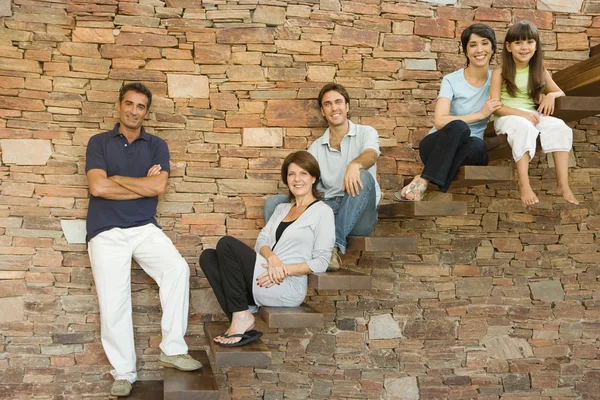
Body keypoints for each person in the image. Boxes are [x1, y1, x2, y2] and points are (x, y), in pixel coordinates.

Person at [85, 83, 201, 398]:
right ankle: (123, 373)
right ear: (119, 106)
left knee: (177, 270)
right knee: (114, 303)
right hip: (105, 230)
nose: (134, 110)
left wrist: (119, 179)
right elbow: (98, 188)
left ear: (146, 112)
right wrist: (141, 184)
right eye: (129, 104)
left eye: (140, 106)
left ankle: (173, 349)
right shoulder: (98, 143)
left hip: (143, 227)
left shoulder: (156, 145)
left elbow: (158, 187)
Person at [199, 151, 334, 346]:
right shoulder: (282, 209)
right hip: (265, 274)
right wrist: (272, 260)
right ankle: (242, 314)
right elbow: (261, 241)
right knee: (208, 257)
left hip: (287, 286)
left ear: (313, 177)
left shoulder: (323, 212)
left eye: (303, 173)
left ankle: (240, 319)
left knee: (226, 244)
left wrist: (282, 270)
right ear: (286, 179)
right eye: (291, 174)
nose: (297, 179)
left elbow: (321, 262)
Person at [263, 83, 380, 270]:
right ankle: (282, 252)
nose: (334, 108)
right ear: (323, 112)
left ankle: (331, 247)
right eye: (328, 104)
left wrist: (354, 165)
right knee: (273, 203)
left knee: (364, 177)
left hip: (360, 212)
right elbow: (306, 183)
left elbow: (371, 155)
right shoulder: (316, 148)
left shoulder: (366, 132)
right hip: (328, 209)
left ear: (347, 106)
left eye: (338, 102)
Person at [397, 23, 501, 201]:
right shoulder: (451, 80)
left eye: (484, 43)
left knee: (479, 146)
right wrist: (480, 114)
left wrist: (550, 95)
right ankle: (426, 179)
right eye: (473, 45)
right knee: (459, 126)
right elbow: (440, 121)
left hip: (467, 150)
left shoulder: (497, 80)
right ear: (466, 51)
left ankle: (424, 179)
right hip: (436, 144)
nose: (479, 50)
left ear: (493, 48)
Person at [490, 20, 578, 205]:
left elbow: (559, 91)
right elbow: (496, 106)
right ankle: (524, 183)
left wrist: (550, 96)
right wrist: (521, 115)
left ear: (536, 45)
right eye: (518, 43)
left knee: (560, 127)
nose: (524, 47)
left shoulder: (539, 70)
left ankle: (562, 184)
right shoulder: (500, 72)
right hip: (507, 116)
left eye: (529, 42)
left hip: (531, 114)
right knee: (524, 127)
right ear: (508, 46)